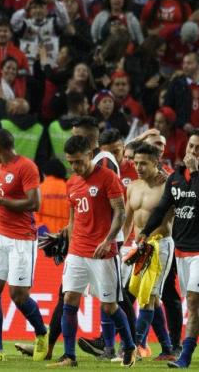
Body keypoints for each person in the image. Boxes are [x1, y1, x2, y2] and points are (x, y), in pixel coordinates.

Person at [139, 132, 199, 369]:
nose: (193, 151)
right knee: (198, 303)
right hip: (182, 248)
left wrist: (196, 172)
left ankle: (185, 356)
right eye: (191, 146)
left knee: (194, 300)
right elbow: (162, 208)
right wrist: (145, 231)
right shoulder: (176, 176)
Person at [51, 134, 135, 368]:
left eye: (78, 161)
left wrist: (109, 240)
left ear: (90, 155)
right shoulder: (72, 183)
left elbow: (120, 212)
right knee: (69, 298)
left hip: (103, 253)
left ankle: (129, 346)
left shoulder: (108, 178)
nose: (74, 167)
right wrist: (64, 237)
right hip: (77, 251)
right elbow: (73, 217)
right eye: (70, 162)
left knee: (109, 306)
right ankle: (69, 356)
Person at [0, 129, 48, 361]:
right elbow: (1, 206)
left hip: (21, 239)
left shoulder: (26, 166)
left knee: (18, 295)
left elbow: (34, 203)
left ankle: (41, 334)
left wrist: (1, 201)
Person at [123, 143, 177, 362]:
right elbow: (128, 221)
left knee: (147, 298)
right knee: (150, 299)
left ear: (156, 163)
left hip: (160, 245)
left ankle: (134, 346)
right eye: (136, 163)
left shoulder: (168, 186)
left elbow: (173, 219)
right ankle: (168, 349)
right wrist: (121, 245)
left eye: (143, 163)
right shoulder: (133, 187)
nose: (138, 167)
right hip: (138, 247)